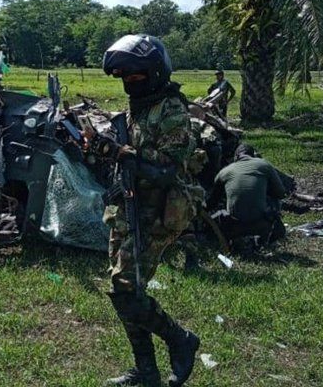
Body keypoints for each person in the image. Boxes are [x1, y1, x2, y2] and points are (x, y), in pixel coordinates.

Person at [102, 34, 201, 387]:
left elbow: (165, 170)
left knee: (125, 289)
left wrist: (126, 155)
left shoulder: (172, 110)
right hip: (127, 207)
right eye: (125, 78)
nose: (130, 83)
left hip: (157, 211)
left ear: (154, 73)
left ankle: (180, 340)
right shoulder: (137, 110)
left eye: (136, 77)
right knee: (124, 287)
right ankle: (145, 372)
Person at [208, 144, 287, 245]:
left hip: (233, 227)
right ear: (253, 155)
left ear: (235, 157)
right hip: (261, 225)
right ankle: (271, 235)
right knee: (274, 200)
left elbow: (212, 202)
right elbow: (281, 193)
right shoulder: (264, 165)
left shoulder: (224, 172)